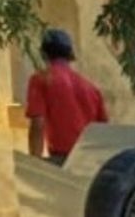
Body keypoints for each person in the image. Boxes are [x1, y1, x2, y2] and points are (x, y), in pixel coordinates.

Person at [26, 28, 108, 165]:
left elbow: (38, 124)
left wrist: (35, 163)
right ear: (70, 54)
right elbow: (102, 131)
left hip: (61, 159)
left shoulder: (41, 80)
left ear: (44, 54)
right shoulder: (91, 88)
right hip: (88, 161)